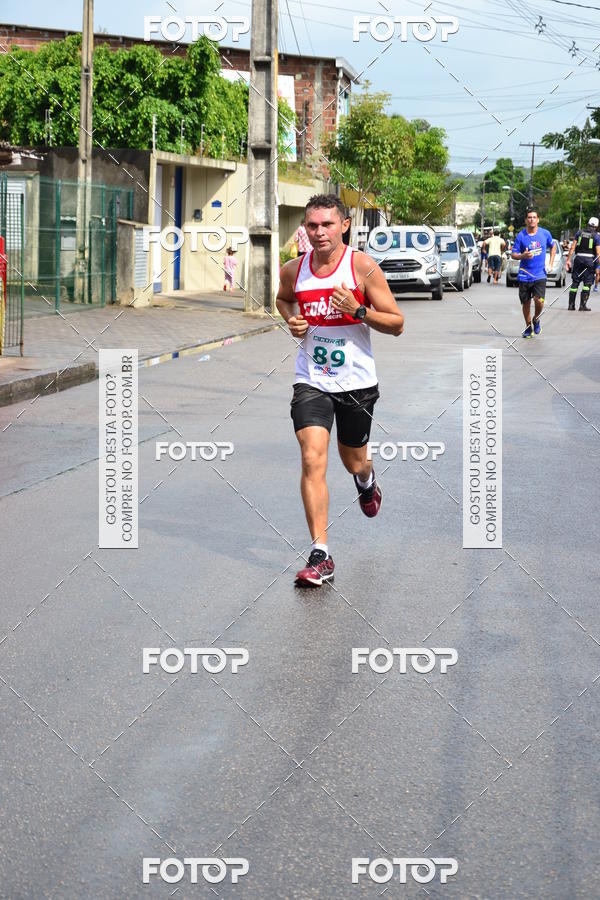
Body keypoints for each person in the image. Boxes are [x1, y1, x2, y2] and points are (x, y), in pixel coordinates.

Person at [276, 194, 404, 587]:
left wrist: (359, 311)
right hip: (311, 379)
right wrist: (292, 319)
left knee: (353, 460)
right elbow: (283, 301)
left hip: (357, 384)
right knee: (312, 457)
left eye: (327, 225)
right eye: (312, 226)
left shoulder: (362, 267)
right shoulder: (293, 270)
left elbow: (397, 323)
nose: (319, 233)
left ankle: (366, 481)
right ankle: (320, 554)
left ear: (344, 225)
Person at [511, 208, 555, 338]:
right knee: (526, 303)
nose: (532, 219)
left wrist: (551, 263)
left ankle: (536, 319)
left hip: (540, 274)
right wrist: (522, 256)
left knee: (539, 300)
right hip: (524, 274)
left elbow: (553, 246)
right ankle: (528, 326)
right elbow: (513, 254)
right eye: (529, 217)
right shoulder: (521, 236)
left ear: (538, 219)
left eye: (534, 217)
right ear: (526, 220)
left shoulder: (545, 234)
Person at [565, 217, 600, 311]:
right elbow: (598, 253)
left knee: (575, 282)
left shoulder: (579, 232)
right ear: (596, 226)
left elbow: (572, 247)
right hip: (589, 261)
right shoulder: (596, 236)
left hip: (578, 259)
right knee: (587, 283)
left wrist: (568, 260)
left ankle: (571, 305)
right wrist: (598, 265)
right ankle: (582, 305)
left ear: (588, 223)